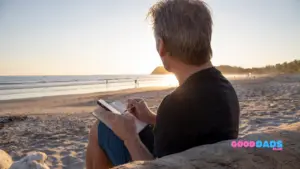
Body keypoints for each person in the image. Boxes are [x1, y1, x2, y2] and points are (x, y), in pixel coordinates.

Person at [86, 0, 240, 168]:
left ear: (161, 45)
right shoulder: (226, 89)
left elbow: (158, 166)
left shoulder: (175, 105)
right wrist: (150, 117)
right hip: (203, 159)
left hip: (173, 162)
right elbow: (195, 127)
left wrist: (129, 137)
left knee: (100, 129)